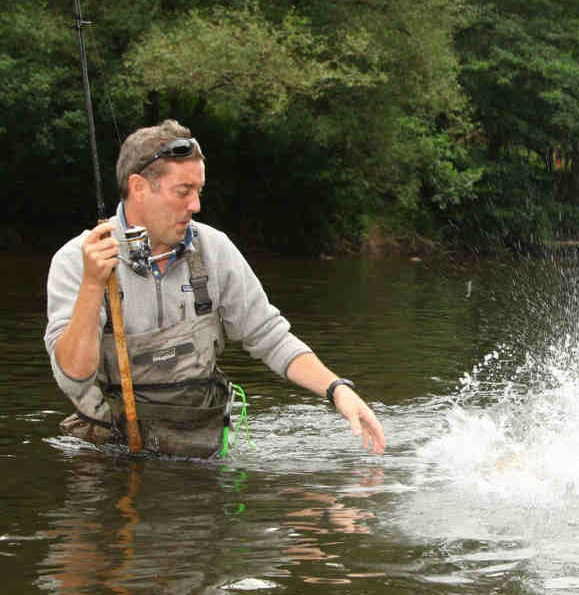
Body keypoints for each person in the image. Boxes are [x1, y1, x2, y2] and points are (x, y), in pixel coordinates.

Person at [44, 119, 385, 457]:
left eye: (199, 191)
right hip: (108, 457)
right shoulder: (76, 261)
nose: (196, 205)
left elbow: (269, 335)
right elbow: (74, 375)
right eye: (184, 192)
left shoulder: (215, 250)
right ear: (139, 188)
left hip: (201, 454)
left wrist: (337, 389)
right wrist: (92, 284)